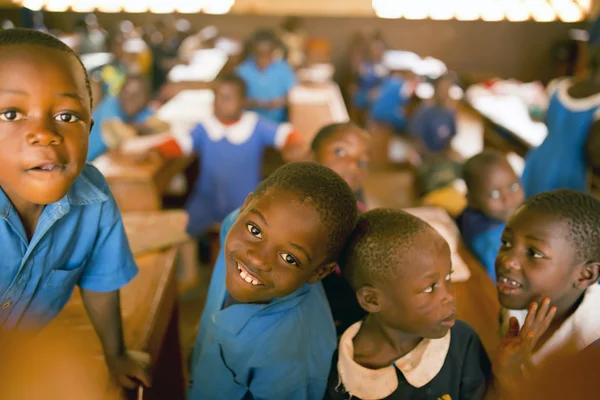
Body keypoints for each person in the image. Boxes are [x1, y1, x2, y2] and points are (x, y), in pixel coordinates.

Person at [0, 28, 149, 389]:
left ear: (90, 128)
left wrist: (115, 354)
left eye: (67, 117)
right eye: (11, 113)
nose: (45, 134)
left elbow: (100, 282)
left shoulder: (94, 199)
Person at [326, 209, 555, 399]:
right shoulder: (339, 377)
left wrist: (505, 376)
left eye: (448, 278)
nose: (449, 297)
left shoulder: (461, 341)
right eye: (429, 288)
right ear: (372, 300)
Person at [187, 162, 358, 399]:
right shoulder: (232, 226)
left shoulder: (289, 358)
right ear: (245, 207)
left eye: (289, 258)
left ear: (319, 272)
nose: (257, 260)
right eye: (255, 231)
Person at [120, 73, 304, 237]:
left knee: (250, 237)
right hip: (206, 200)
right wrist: (156, 150)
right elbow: (181, 143)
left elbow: (286, 134)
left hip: (244, 202)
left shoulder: (254, 124)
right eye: (216, 97)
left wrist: (294, 145)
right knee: (182, 233)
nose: (218, 103)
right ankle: (188, 274)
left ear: (243, 102)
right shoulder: (206, 126)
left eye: (226, 98)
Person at [497, 189, 600, 366]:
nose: (508, 261)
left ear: (586, 275)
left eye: (534, 253)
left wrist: (508, 377)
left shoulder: (591, 351)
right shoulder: (520, 298)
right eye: (506, 243)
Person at [521, 17, 600, 198]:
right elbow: (595, 154)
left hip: (538, 159)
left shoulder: (559, 86)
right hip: (570, 171)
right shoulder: (597, 104)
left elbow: (541, 117)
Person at [310, 122, 371, 334]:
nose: (353, 164)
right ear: (310, 156)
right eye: (340, 151)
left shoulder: (356, 209)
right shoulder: (294, 211)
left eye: (362, 161)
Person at [457, 150, 524, 281]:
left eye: (513, 186)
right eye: (494, 194)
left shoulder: (470, 215)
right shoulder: (493, 246)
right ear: (472, 200)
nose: (508, 199)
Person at [87, 74, 155, 161]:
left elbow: (160, 125)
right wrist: (140, 128)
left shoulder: (142, 109)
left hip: (106, 161)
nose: (130, 98)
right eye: (126, 92)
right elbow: (117, 135)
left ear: (146, 99)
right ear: (120, 93)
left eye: (137, 95)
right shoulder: (110, 104)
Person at [236, 30, 297, 123]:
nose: (263, 59)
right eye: (260, 54)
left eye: (266, 53)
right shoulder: (242, 70)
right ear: (253, 50)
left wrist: (279, 102)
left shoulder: (284, 68)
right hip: (248, 124)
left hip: (278, 123)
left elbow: (294, 95)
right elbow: (235, 99)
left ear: (273, 50)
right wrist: (253, 103)